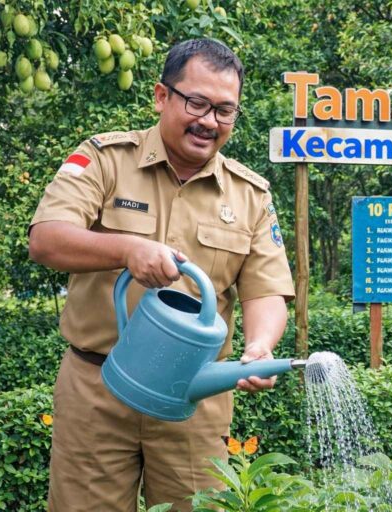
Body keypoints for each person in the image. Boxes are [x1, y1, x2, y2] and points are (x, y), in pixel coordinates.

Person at [28, 38, 295, 511]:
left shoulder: (250, 194)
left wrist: (260, 346)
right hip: (98, 387)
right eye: (196, 102)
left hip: (193, 395)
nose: (208, 121)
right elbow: (47, 238)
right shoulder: (105, 160)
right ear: (161, 96)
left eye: (224, 110)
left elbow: (267, 289)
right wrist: (126, 249)